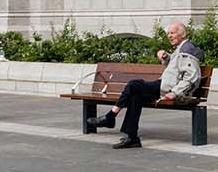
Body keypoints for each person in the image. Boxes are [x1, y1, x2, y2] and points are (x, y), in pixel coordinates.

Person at [84, 22, 202, 150]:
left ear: (183, 34)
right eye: (168, 33)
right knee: (135, 96)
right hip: (164, 85)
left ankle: (110, 117)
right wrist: (166, 57)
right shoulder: (181, 49)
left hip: (167, 89)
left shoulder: (188, 50)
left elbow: (192, 76)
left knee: (134, 84)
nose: (169, 36)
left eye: (172, 33)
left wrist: (175, 93)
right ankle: (132, 138)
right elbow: (176, 67)